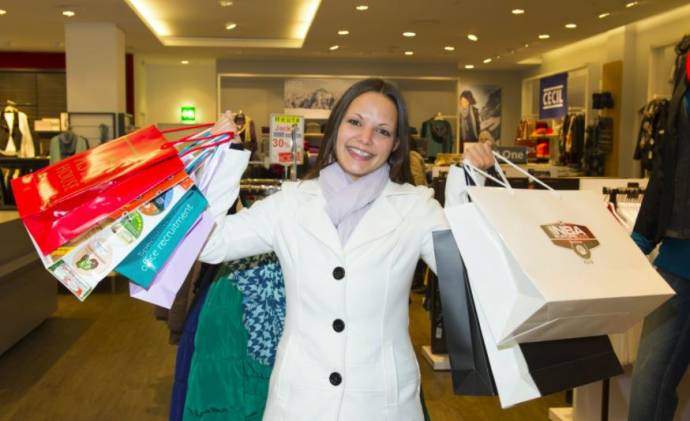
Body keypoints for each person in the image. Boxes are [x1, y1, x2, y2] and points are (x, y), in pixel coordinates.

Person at [199, 78, 494, 420]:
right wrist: (226, 159)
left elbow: (466, 272)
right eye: (355, 122)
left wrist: (468, 186)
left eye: (382, 131)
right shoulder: (289, 204)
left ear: (396, 143)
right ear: (336, 126)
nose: (365, 139)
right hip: (297, 404)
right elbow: (209, 243)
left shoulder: (416, 207)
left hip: (384, 407)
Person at [628, 47, 690, 421]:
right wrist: (642, 236)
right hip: (678, 259)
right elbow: (668, 163)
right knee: (648, 385)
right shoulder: (686, 64)